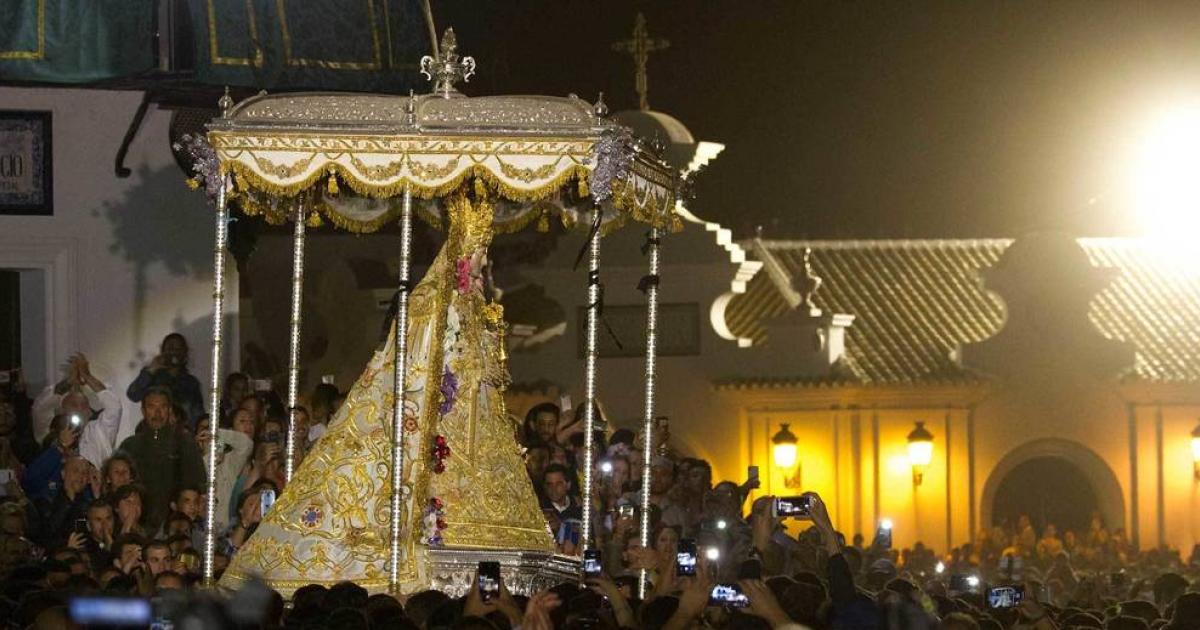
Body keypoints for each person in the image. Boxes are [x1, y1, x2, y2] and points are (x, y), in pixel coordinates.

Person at [117, 387, 206, 532]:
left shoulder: (184, 443)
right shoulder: (130, 446)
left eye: (163, 407)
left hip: (177, 525)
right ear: (143, 410)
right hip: (138, 525)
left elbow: (198, 484)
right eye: (151, 407)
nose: (157, 413)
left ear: (169, 410)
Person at [126, 333, 205, 428]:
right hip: (152, 432)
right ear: (163, 351)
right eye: (170, 348)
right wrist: (151, 370)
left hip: (181, 435)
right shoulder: (152, 375)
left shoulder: (191, 382)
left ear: (184, 352)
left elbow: (197, 416)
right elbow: (133, 394)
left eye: (178, 349)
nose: (174, 352)